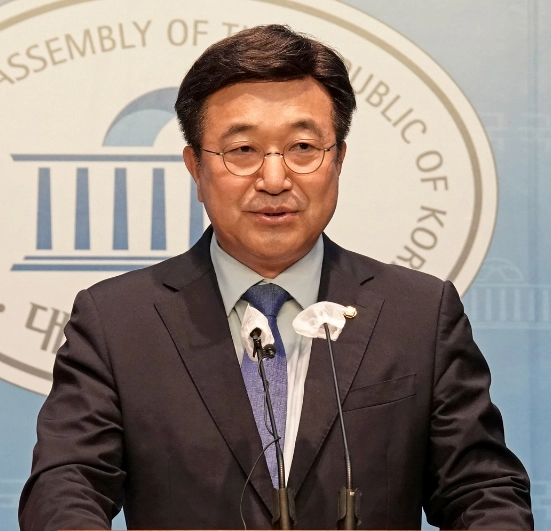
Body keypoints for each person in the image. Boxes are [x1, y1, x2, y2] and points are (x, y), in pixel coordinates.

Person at [19, 24, 532, 530]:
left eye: (303, 147)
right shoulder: (118, 321)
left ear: (338, 160)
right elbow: (65, 487)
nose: (273, 179)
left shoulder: (417, 314)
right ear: (195, 167)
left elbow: (481, 490)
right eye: (242, 150)